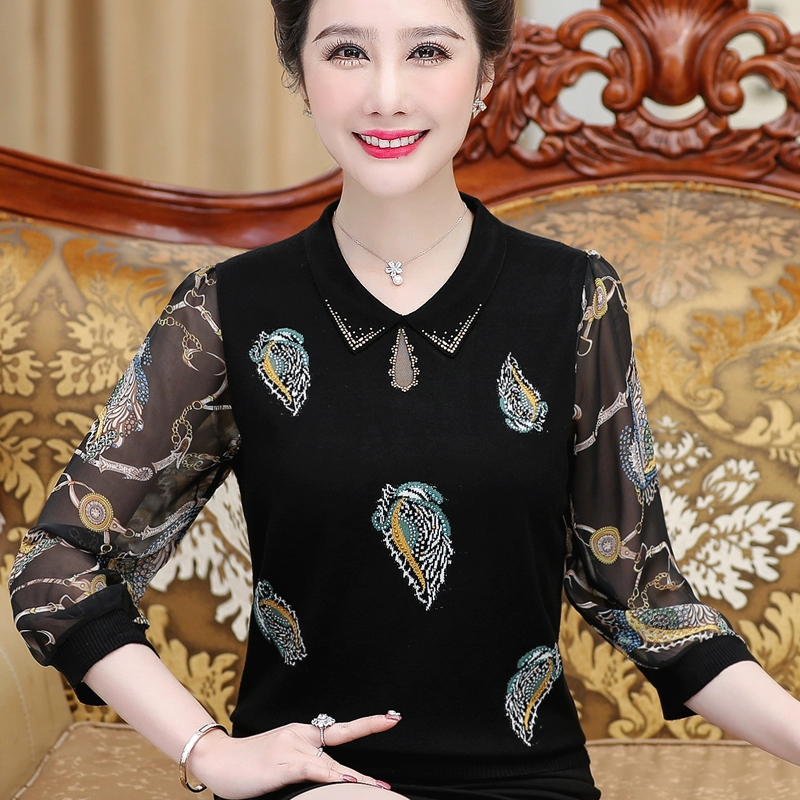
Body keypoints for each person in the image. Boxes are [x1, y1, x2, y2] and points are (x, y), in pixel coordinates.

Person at [8, 0, 800, 799]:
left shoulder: (575, 298)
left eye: (428, 51)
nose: (386, 95)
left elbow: (640, 597)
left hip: (527, 783)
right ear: (299, 72)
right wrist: (209, 751)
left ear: (487, 74)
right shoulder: (226, 310)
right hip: (316, 786)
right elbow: (57, 565)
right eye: (347, 52)